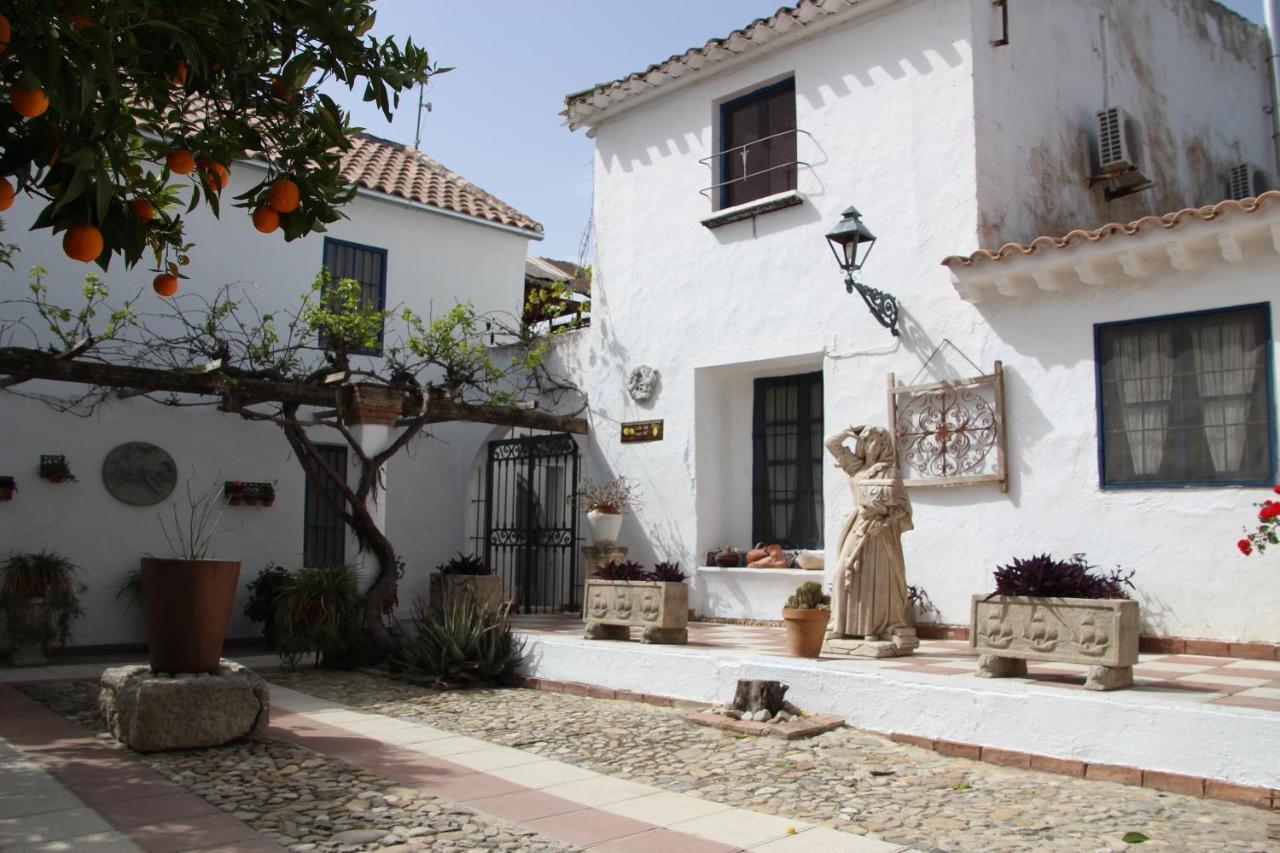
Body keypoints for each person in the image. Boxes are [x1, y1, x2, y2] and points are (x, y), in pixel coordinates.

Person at [825, 424, 914, 640]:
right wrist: (849, 430)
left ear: (884, 446)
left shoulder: (890, 471)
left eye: (878, 442)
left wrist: (886, 519)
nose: (873, 445)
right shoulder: (856, 468)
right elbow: (831, 443)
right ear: (862, 444)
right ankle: (840, 624)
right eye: (869, 441)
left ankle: (873, 629)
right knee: (842, 573)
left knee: (877, 579)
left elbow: (903, 507)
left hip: (881, 530)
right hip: (858, 525)